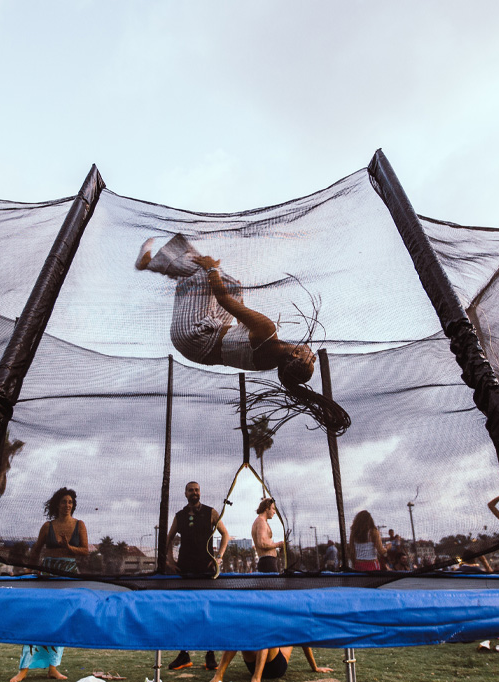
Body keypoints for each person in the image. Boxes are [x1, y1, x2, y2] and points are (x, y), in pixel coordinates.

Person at [136, 234, 350, 435]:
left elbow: (222, 299)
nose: (311, 354)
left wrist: (211, 269)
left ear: (294, 356)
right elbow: (240, 326)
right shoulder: (270, 362)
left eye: (309, 358)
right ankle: (173, 264)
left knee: (203, 274)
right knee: (233, 286)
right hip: (200, 347)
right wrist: (237, 298)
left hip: (193, 335)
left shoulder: (266, 331)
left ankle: (149, 263)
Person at [11, 488, 89, 682]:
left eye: (70, 502)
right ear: (57, 504)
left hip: (68, 574)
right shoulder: (48, 526)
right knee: (38, 617)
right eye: (64, 501)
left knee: (59, 620)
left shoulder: (80, 525)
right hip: (47, 572)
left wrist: (68, 547)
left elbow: (85, 551)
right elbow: (36, 550)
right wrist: (29, 570)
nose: (67, 505)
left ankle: (53, 667)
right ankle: (24, 668)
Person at [163, 481, 230, 671]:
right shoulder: (180, 516)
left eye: (197, 490)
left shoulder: (211, 512)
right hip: (185, 569)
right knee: (184, 611)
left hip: (206, 570)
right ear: (185, 493)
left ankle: (210, 655)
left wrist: (219, 557)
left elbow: (225, 534)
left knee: (207, 611)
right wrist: (169, 560)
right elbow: (168, 539)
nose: (195, 492)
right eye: (191, 490)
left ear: (200, 492)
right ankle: (184, 655)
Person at [209, 647, 332, 682]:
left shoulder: (291, 622)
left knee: (268, 638)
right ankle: (218, 677)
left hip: (277, 668)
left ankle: (256, 679)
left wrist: (315, 667)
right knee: (239, 637)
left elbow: (305, 644)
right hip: (255, 663)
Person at [252, 498, 284, 573]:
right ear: (267, 508)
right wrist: (279, 544)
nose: (274, 512)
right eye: (273, 509)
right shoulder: (261, 522)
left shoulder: (262, 521)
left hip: (268, 561)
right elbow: (262, 543)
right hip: (267, 562)